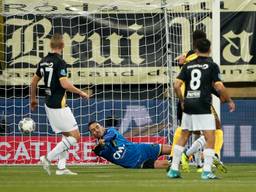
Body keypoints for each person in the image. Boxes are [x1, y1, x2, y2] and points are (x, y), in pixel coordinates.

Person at [167, 38, 235, 180]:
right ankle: (206, 171)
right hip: (203, 104)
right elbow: (219, 86)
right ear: (209, 49)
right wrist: (228, 100)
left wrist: (182, 100)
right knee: (211, 137)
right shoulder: (212, 66)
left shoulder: (188, 65)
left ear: (196, 50)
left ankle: (173, 169)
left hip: (189, 104)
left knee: (184, 135)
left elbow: (176, 85)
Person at [30, 33, 89, 175]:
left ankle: (61, 168)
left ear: (50, 45)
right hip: (58, 105)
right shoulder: (60, 62)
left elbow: (33, 82)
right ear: (62, 46)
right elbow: (64, 83)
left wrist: (33, 99)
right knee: (75, 137)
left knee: (66, 135)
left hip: (48, 103)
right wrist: (80, 92)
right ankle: (47, 158)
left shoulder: (43, 61)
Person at [88, 121, 171, 169]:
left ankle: (183, 153)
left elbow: (111, 136)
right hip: (136, 162)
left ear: (102, 126)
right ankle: (179, 162)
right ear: (92, 134)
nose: (96, 130)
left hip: (141, 149)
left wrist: (104, 140)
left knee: (169, 148)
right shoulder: (98, 149)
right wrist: (100, 145)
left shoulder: (111, 131)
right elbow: (98, 150)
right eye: (93, 130)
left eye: (97, 127)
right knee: (163, 164)